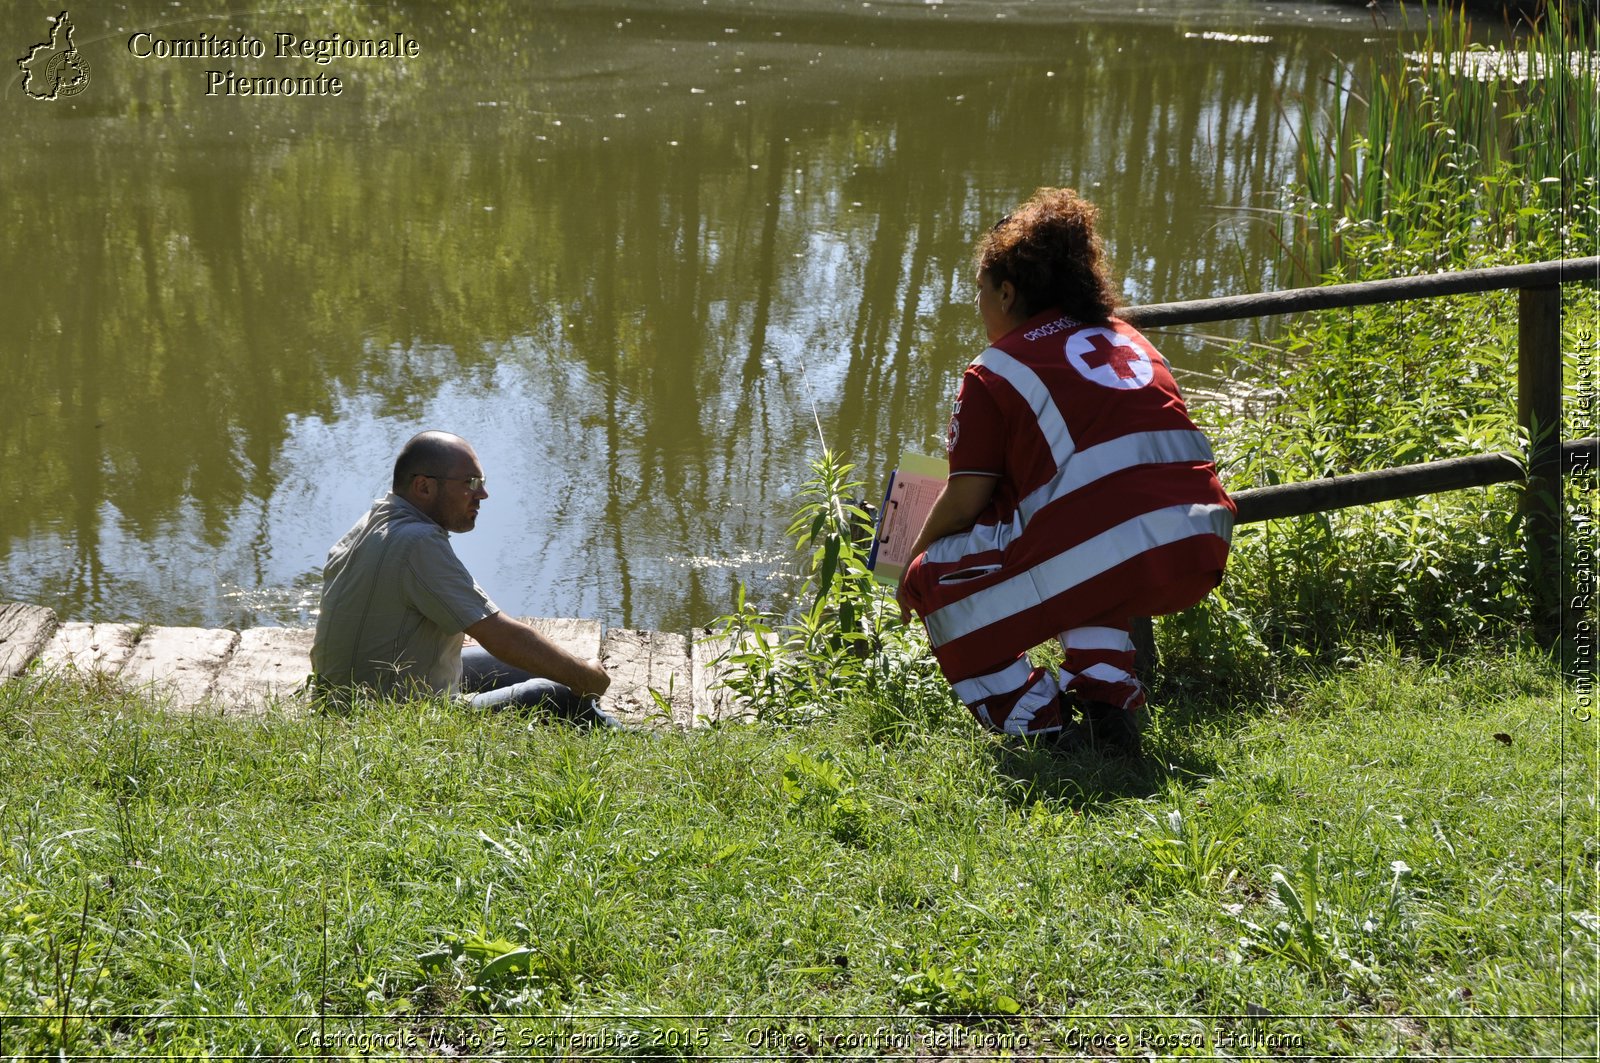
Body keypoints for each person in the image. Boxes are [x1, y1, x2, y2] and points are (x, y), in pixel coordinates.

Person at [896, 188, 1235, 755]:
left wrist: (909, 559)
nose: (979, 310)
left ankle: (1038, 723)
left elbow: (964, 498)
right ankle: (1106, 704)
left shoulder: (993, 369)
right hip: (1200, 537)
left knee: (932, 582)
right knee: (1090, 554)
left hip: (1123, 543)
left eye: (981, 294)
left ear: (1007, 291)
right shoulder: (1125, 336)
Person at [310, 431, 612, 720]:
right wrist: (585, 676)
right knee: (554, 692)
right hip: (391, 718)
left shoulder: (371, 525)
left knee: (540, 663)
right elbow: (500, 635)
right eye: (470, 482)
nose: (482, 494)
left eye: (481, 481)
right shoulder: (419, 541)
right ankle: (630, 740)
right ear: (424, 487)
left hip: (341, 702)